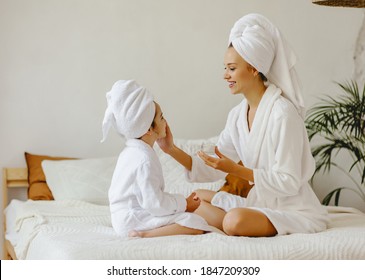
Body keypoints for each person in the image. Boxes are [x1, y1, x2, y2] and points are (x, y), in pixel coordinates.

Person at [157, 13, 329, 237]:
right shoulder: (237, 116)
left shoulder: (283, 114)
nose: (224, 75)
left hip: (292, 209)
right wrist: (170, 149)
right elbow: (214, 164)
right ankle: (166, 228)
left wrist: (236, 170)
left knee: (234, 221)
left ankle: (231, 221)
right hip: (259, 203)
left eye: (231, 68)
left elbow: (289, 181)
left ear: (254, 68)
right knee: (197, 197)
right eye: (225, 68)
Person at [101, 80, 213, 238]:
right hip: (132, 220)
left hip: (122, 218)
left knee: (190, 219)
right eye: (161, 118)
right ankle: (144, 234)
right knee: (195, 222)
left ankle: (144, 231)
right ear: (148, 128)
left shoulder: (130, 152)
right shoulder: (144, 159)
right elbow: (155, 204)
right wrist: (185, 204)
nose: (165, 122)